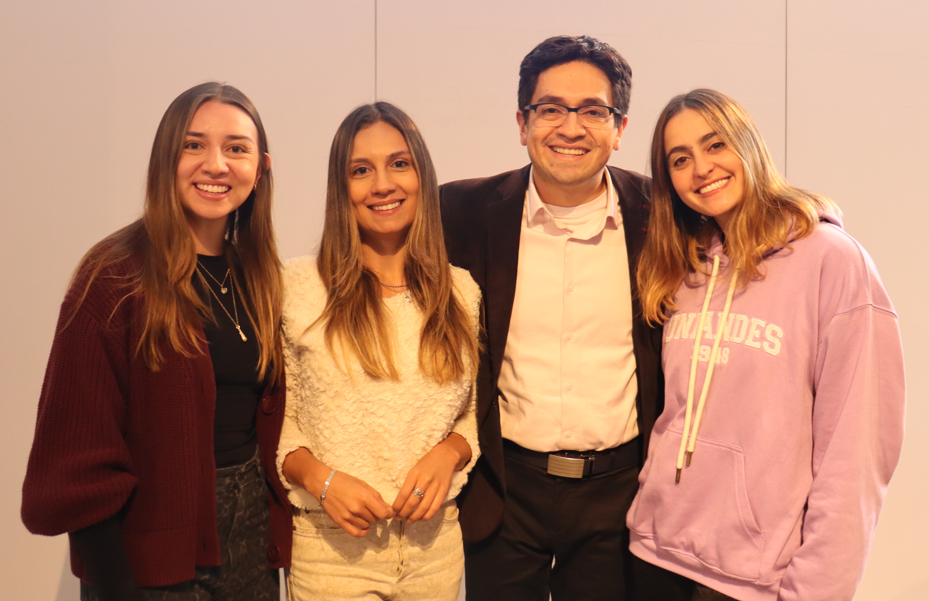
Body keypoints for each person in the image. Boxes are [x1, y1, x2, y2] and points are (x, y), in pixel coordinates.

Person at [627, 88, 906, 601]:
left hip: (753, 580)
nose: (701, 169)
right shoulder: (687, 270)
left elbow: (859, 446)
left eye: (716, 146)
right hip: (655, 555)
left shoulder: (832, 260)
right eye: (680, 159)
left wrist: (817, 589)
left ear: (748, 146)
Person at [21, 82, 292, 600]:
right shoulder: (114, 277)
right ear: (165, 158)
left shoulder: (259, 278)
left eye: (236, 148)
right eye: (193, 145)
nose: (216, 164)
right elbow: (79, 463)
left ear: (261, 168)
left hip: (251, 553)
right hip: (147, 568)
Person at [440, 35, 665, 600]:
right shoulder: (459, 213)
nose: (571, 127)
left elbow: (747, 214)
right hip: (504, 487)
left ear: (620, 127)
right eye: (551, 109)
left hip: (620, 492)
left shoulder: (663, 215)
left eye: (592, 111)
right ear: (522, 122)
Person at [278, 101, 481, 601]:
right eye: (361, 170)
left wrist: (449, 453)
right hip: (331, 555)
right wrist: (321, 480)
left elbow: (474, 414)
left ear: (421, 175)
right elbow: (277, 423)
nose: (382, 184)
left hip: (435, 551)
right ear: (340, 188)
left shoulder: (461, 292)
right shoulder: (297, 288)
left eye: (399, 164)